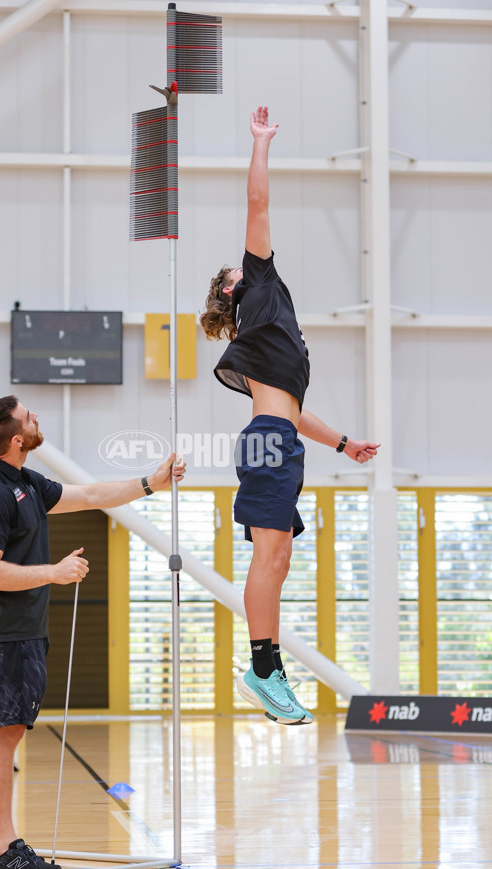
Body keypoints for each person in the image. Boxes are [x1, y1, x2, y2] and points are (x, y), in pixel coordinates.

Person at [200, 106, 380, 727]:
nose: (241, 260)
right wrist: (260, 143)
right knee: (269, 558)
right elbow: (257, 204)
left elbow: (296, 413)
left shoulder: (270, 332)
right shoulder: (256, 284)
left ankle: (268, 666)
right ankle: (262, 668)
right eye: (233, 267)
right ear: (232, 288)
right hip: (269, 442)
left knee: (277, 559)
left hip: (278, 437)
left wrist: (345, 443)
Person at [0, 395, 185, 869]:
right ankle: (5, 850)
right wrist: (55, 572)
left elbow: (88, 496)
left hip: (16, 633)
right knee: (2, 737)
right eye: (29, 416)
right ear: (17, 438)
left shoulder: (22, 482)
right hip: (7, 634)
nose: (36, 415)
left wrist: (151, 482)